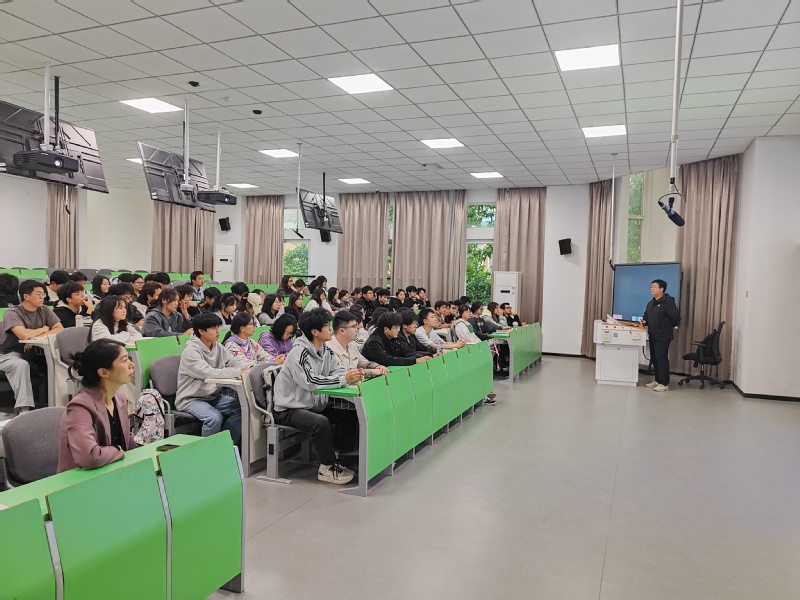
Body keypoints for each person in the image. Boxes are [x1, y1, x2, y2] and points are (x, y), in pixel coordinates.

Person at [272, 307, 363, 484]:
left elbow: (337, 369)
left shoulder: (324, 350)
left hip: (312, 403)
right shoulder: (299, 353)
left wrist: (349, 376)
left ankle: (340, 457)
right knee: (320, 423)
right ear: (315, 332)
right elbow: (310, 382)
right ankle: (326, 468)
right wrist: (343, 379)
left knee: (350, 412)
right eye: (327, 326)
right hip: (290, 408)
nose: (330, 329)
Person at [57, 339, 138, 472]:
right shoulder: (79, 407)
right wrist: (117, 450)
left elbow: (127, 441)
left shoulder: (120, 399)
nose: (131, 364)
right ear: (104, 372)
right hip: (83, 480)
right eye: (124, 360)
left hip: (112, 472)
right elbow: (89, 456)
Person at [176, 313, 249, 444]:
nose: (218, 331)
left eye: (218, 327)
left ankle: (224, 444)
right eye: (213, 328)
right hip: (191, 399)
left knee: (242, 408)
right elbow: (209, 373)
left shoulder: (218, 347)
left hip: (212, 396)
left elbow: (234, 362)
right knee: (214, 418)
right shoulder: (191, 352)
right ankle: (207, 451)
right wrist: (238, 372)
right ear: (201, 331)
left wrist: (251, 368)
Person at [0, 280, 64, 413]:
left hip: (34, 352)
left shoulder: (44, 309)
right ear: (26, 296)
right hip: (8, 354)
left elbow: (59, 328)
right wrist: (43, 329)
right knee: (21, 365)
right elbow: (23, 335)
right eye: (38, 294)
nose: (43, 297)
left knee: (57, 361)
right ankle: (24, 409)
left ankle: (57, 404)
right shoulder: (12, 313)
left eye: (43, 294)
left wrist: (34, 337)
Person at [642, 279, 681, 392]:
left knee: (661, 358)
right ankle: (657, 380)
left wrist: (665, 327)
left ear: (661, 289)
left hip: (663, 335)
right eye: (651, 287)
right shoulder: (651, 303)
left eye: (654, 287)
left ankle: (664, 383)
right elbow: (646, 316)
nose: (652, 289)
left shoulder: (668, 302)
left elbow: (675, 318)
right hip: (653, 334)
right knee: (654, 358)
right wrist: (644, 321)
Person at [327, 310, 388, 380]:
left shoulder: (351, 345)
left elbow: (364, 363)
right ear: (342, 331)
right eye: (354, 326)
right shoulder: (329, 349)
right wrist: (373, 372)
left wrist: (377, 366)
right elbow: (347, 374)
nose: (357, 329)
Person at [362, 311, 431, 367]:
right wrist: (414, 361)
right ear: (386, 329)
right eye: (395, 328)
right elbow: (387, 360)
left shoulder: (392, 338)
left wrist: (428, 355)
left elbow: (405, 352)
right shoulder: (373, 342)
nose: (398, 330)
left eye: (398, 327)